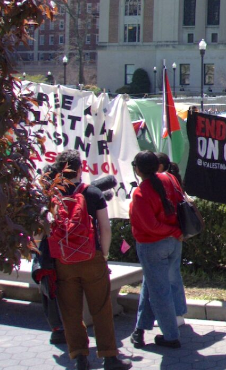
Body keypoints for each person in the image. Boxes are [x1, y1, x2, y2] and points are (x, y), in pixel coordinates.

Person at [46, 150, 132, 370]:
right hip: (91, 257)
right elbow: (105, 228)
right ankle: (110, 357)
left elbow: (44, 230)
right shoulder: (93, 193)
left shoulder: (51, 195)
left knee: (70, 311)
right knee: (101, 308)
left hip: (64, 261)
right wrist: (102, 255)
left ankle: (80, 358)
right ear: (80, 168)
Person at [129, 150, 187, 350]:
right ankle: (140, 328)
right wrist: (176, 231)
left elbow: (151, 226)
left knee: (159, 291)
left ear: (137, 169)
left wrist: (171, 231)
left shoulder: (140, 193)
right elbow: (181, 203)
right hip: (174, 242)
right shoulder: (169, 179)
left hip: (153, 244)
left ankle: (171, 336)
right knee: (152, 285)